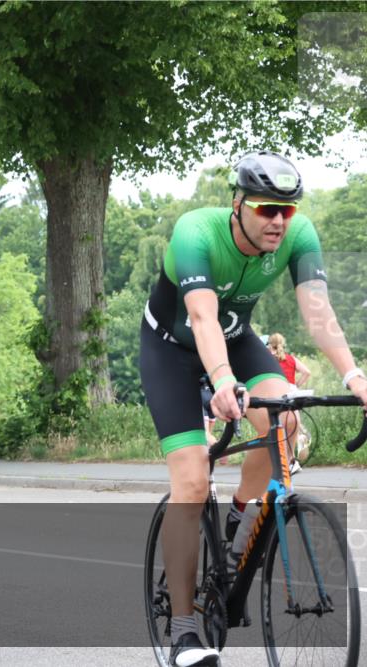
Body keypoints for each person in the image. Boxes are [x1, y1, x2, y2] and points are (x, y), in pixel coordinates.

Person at [138, 150, 367, 667]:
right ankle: (183, 631)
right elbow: (201, 318)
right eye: (267, 209)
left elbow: (318, 312)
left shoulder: (298, 234)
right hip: (171, 350)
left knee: (284, 417)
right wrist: (222, 382)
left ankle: (239, 530)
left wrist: (354, 376)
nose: (279, 221)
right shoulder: (196, 233)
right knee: (192, 481)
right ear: (238, 204)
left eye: (287, 209)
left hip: (237, 338)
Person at [267, 332, 312, 470]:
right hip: (292, 392)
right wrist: (296, 385)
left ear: (270, 344)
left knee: (278, 427)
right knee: (291, 424)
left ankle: (287, 462)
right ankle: (298, 441)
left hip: (278, 392)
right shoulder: (290, 358)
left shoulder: (268, 358)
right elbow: (307, 372)